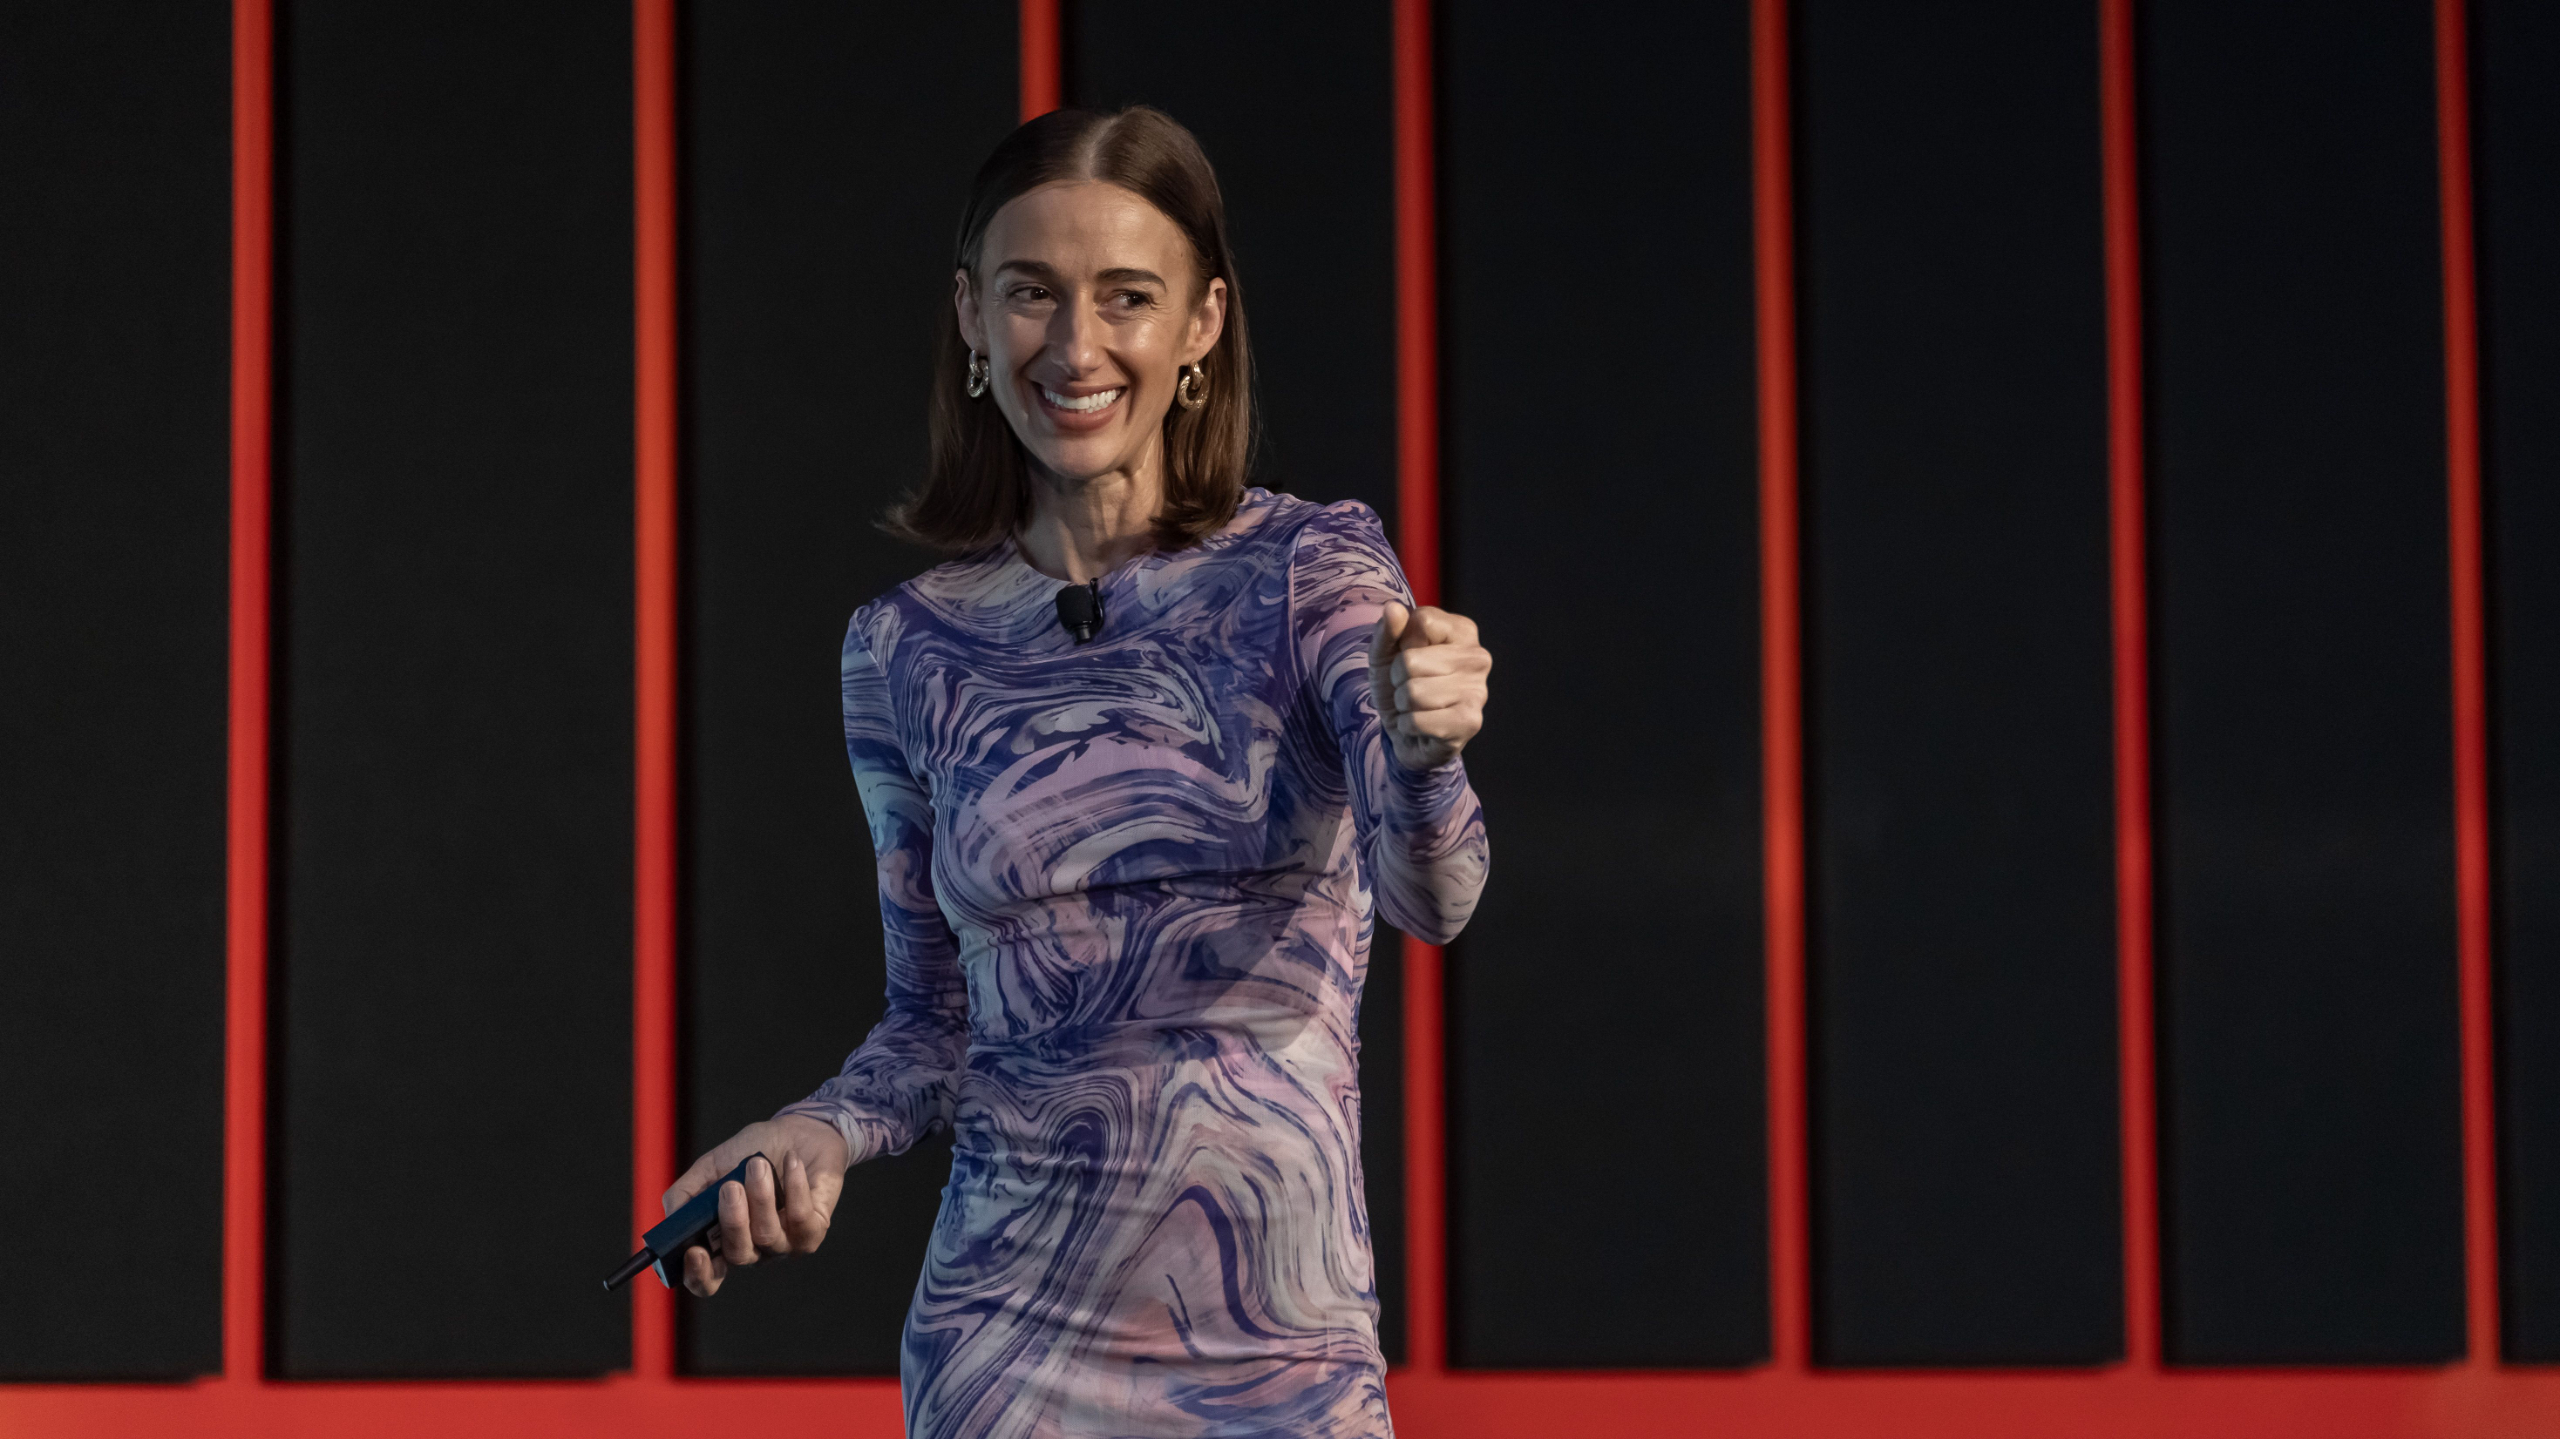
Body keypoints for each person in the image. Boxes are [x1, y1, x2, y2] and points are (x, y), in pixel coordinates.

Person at [663, 105, 1492, 1439]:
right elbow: (934, 1022)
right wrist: (818, 1132)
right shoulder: (904, 648)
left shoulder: (1310, 572)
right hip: (1004, 1359)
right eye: (1032, 292)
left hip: (1281, 1368)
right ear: (972, 318)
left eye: (1128, 297)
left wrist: (1427, 749)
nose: (1076, 344)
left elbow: (1433, 897)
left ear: (1202, 325)